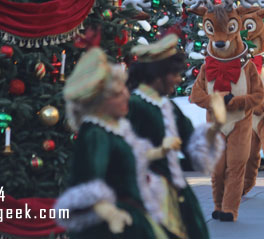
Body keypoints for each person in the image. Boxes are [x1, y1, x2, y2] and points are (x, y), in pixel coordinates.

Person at [55, 47, 176, 239]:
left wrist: (161, 150)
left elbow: (129, 157)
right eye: (119, 93)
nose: (127, 95)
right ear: (100, 101)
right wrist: (111, 213)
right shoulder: (95, 134)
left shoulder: (114, 127)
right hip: (112, 228)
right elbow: (88, 184)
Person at [127, 34, 226, 237]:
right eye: (174, 74)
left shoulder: (167, 106)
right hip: (144, 194)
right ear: (158, 74)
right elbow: (122, 152)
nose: (179, 79)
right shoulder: (133, 105)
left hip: (174, 192)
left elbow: (193, 148)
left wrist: (216, 126)